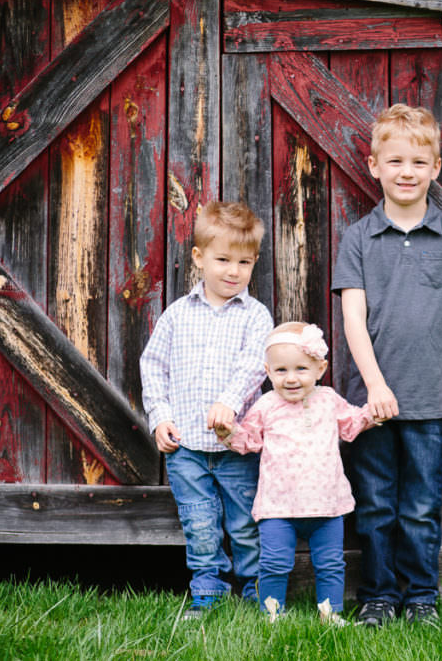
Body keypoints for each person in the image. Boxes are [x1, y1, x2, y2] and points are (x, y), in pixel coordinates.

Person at [331, 104, 442, 627]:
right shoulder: (357, 239)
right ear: (374, 165)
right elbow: (354, 319)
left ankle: (422, 597)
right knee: (375, 506)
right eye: (395, 160)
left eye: (418, 162)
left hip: (430, 398)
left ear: (436, 168)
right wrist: (373, 386)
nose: (406, 172)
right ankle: (377, 596)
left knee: (420, 507)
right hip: (371, 403)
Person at [139, 200, 273, 618]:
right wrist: (160, 417)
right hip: (188, 449)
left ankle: (254, 588)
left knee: (246, 525)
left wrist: (229, 403)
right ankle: (208, 589)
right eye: (223, 260)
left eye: (244, 262)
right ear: (199, 258)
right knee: (199, 524)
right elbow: (153, 366)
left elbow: (256, 363)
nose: (233, 271)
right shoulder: (177, 316)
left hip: (237, 448)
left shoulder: (255, 316)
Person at [215, 322, 380, 626]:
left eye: (301, 369)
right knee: (275, 562)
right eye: (281, 371)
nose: (291, 379)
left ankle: (330, 614)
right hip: (279, 506)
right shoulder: (266, 405)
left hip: (327, 504)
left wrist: (372, 413)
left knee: (330, 564)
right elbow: (249, 440)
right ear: (268, 370)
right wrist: (228, 431)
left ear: (320, 368)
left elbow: (350, 424)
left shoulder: (328, 399)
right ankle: (272, 613)